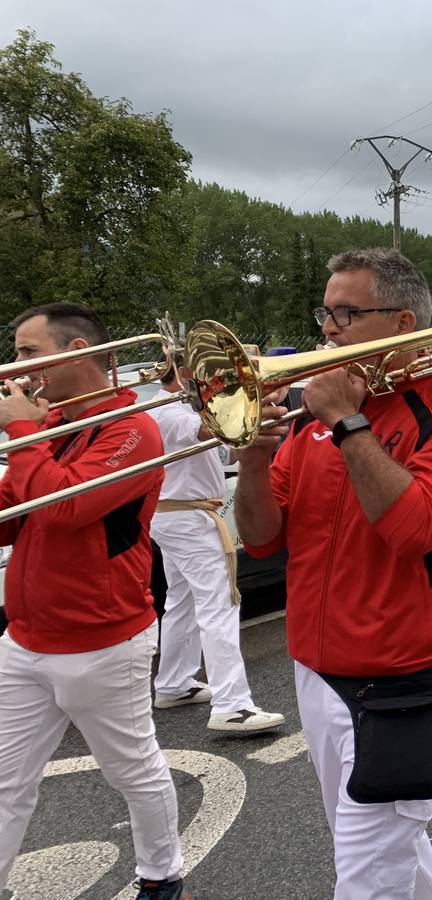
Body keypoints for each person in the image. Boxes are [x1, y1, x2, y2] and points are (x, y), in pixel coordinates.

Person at [236, 248, 432, 899]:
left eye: (347, 313)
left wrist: (347, 423)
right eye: (327, 312)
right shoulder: (307, 427)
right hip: (317, 663)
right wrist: (257, 462)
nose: (328, 328)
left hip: (404, 674)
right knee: (385, 851)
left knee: (367, 875)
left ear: (403, 322)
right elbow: (263, 541)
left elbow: (416, 531)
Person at [0, 303, 184, 900]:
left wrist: (22, 433)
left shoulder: (134, 428)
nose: (16, 366)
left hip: (104, 639)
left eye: (28, 353)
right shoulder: (56, 425)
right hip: (24, 637)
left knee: (130, 769)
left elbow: (67, 507)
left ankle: (162, 875)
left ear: (77, 350)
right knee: (4, 782)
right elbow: (15, 512)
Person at [149, 367, 285, 733]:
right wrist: (255, 401)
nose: (215, 381)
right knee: (220, 603)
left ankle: (174, 683)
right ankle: (232, 705)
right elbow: (214, 429)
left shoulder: (185, 411)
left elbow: (226, 455)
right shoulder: (168, 412)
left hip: (180, 515)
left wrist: (263, 409)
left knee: (183, 600)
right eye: (207, 373)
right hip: (188, 517)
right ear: (185, 372)